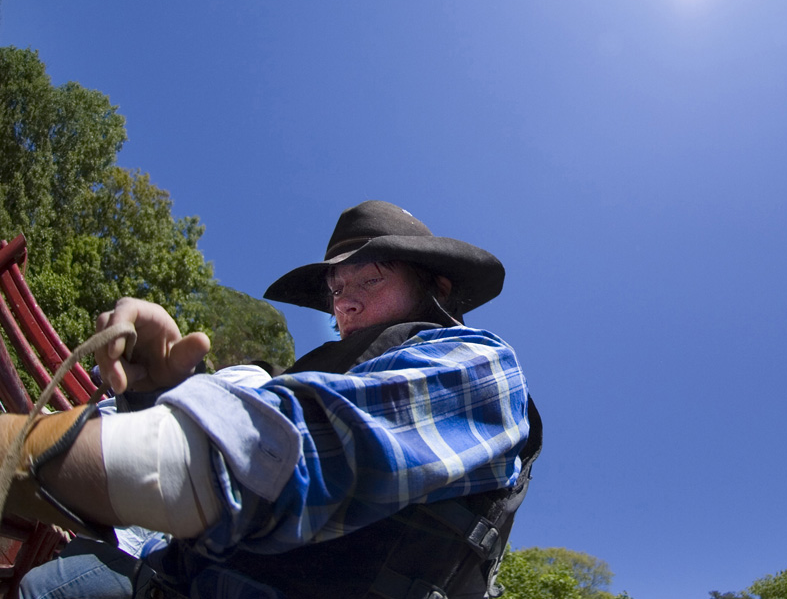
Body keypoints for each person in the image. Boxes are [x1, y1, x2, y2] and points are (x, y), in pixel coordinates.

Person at [2, 200, 540, 598]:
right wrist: (150, 396)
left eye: (368, 280)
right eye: (335, 290)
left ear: (437, 288)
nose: (344, 304)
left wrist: (20, 450)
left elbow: (268, 464)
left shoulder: (477, 365)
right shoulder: (306, 376)